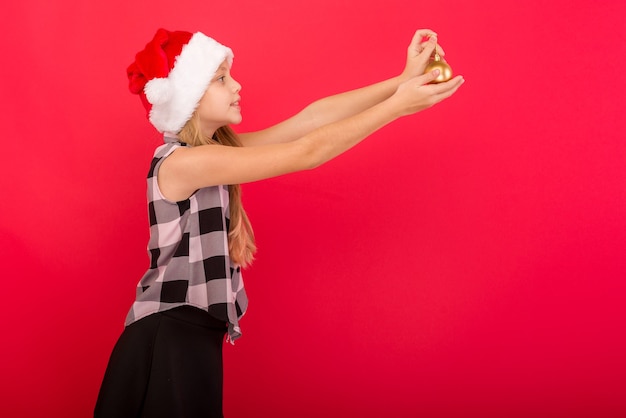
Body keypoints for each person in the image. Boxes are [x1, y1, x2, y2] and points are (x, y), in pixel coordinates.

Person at [94, 27, 464, 418]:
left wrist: (400, 83)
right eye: (221, 78)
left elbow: (310, 120)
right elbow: (307, 151)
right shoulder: (183, 162)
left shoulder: (214, 154)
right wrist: (396, 108)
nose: (236, 85)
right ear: (189, 96)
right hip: (165, 342)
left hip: (193, 341)